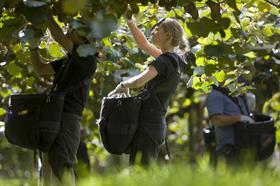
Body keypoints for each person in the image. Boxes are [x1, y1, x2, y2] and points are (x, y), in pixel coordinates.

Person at [28, 12, 97, 185]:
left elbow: (58, 37)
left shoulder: (86, 57)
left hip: (67, 118)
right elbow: (41, 69)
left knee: (62, 165)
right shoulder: (70, 60)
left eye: (71, 29)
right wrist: (33, 47)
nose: (67, 31)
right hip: (54, 115)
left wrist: (46, 12)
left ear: (82, 34)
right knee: (48, 164)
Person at [109, 16, 189, 165]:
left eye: (158, 30)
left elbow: (140, 81)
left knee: (140, 170)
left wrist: (122, 85)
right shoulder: (174, 60)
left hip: (148, 123)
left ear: (168, 35)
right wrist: (130, 22)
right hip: (155, 122)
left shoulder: (163, 61)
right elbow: (143, 44)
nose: (153, 32)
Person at [205, 84, 255, 165]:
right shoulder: (216, 94)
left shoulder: (236, 92)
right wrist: (239, 118)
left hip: (244, 147)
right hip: (228, 149)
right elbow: (216, 120)